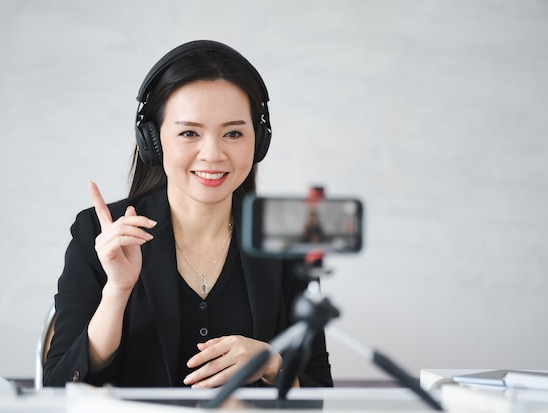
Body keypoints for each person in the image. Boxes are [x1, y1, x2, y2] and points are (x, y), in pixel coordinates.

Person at [43, 40, 333, 389]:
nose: (212, 154)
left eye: (234, 133)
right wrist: (117, 292)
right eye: (189, 133)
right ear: (153, 140)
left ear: (258, 141)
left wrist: (272, 365)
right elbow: (59, 387)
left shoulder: (283, 233)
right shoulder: (98, 231)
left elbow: (318, 392)